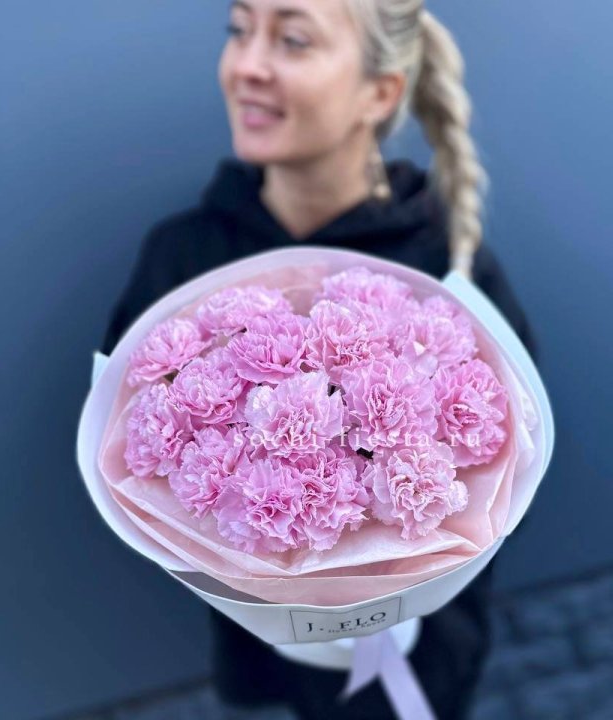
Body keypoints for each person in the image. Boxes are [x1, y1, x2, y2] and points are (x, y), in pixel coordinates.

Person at [100, 1, 540, 718]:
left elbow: (504, 457)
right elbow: (132, 448)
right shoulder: (183, 257)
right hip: (258, 657)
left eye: (293, 39)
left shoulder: (447, 266)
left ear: (380, 93)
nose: (247, 65)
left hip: (424, 653)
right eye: (239, 30)